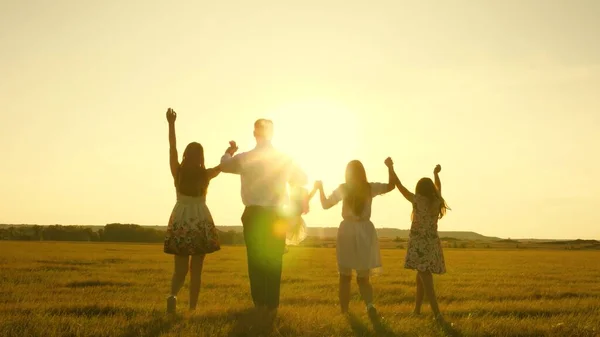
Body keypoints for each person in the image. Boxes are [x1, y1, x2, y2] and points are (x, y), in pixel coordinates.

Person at [220, 119, 308, 315]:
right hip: (276, 214)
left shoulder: (246, 158)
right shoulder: (284, 158)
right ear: (272, 134)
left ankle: (259, 303)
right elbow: (303, 178)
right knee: (275, 259)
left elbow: (224, 165)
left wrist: (229, 151)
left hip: (254, 214)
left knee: (256, 259)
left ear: (254, 134)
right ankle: (272, 304)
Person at [313, 157, 395, 316]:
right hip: (365, 231)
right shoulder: (369, 187)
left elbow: (325, 205)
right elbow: (391, 186)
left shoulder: (344, 188)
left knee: (345, 276)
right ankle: (370, 305)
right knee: (363, 277)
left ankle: (344, 311)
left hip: (347, 231)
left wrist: (320, 189)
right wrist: (390, 167)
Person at [163, 108, 222, 314]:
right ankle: (192, 308)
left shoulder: (177, 172)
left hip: (181, 218)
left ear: (186, 156)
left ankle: (172, 295)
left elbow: (172, 148)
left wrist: (171, 124)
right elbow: (221, 167)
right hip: (199, 221)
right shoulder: (205, 174)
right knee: (196, 270)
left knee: (179, 269)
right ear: (201, 157)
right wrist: (230, 153)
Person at [391, 163, 450, 323]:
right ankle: (416, 311)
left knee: (426, 279)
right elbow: (438, 187)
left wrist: (390, 168)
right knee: (420, 278)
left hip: (419, 245)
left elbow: (399, 186)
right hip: (432, 244)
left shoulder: (416, 200)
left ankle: (437, 314)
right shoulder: (437, 200)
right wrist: (436, 174)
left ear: (419, 189)